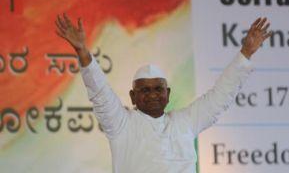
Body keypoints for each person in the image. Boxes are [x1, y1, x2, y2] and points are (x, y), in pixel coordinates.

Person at [55, 14, 272, 173]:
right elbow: (99, 92)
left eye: (158, 89)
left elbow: (220, 97)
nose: (152, 94)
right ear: (133, 97)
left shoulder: (184, 123)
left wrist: (245, 53)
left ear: (167, 94)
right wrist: (82, 51)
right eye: (145, 90)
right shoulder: (122, 124)